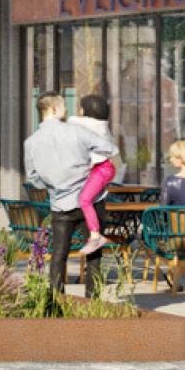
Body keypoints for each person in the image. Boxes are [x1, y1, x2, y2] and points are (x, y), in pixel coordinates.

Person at [24, 95, 115, 294]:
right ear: (54, 110)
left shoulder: (30, 143)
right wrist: (90, 167)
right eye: (64, 106)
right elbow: (110, 149)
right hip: (91, 199)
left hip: (60, 202)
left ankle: (56, 300)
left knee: (58, 254)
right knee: (94, 255)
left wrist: (52, 186)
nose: (67, 109)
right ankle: (93, 302)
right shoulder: (77, 131)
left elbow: (33, 178)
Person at [71, 95, 119, 258]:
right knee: (88, 198)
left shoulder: (88, 124)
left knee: (84, 199)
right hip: (103, 168)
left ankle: (95, 236)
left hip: (102, 169)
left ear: (86, 111)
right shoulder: (102, 125)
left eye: (80, 108)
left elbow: (70, 122)